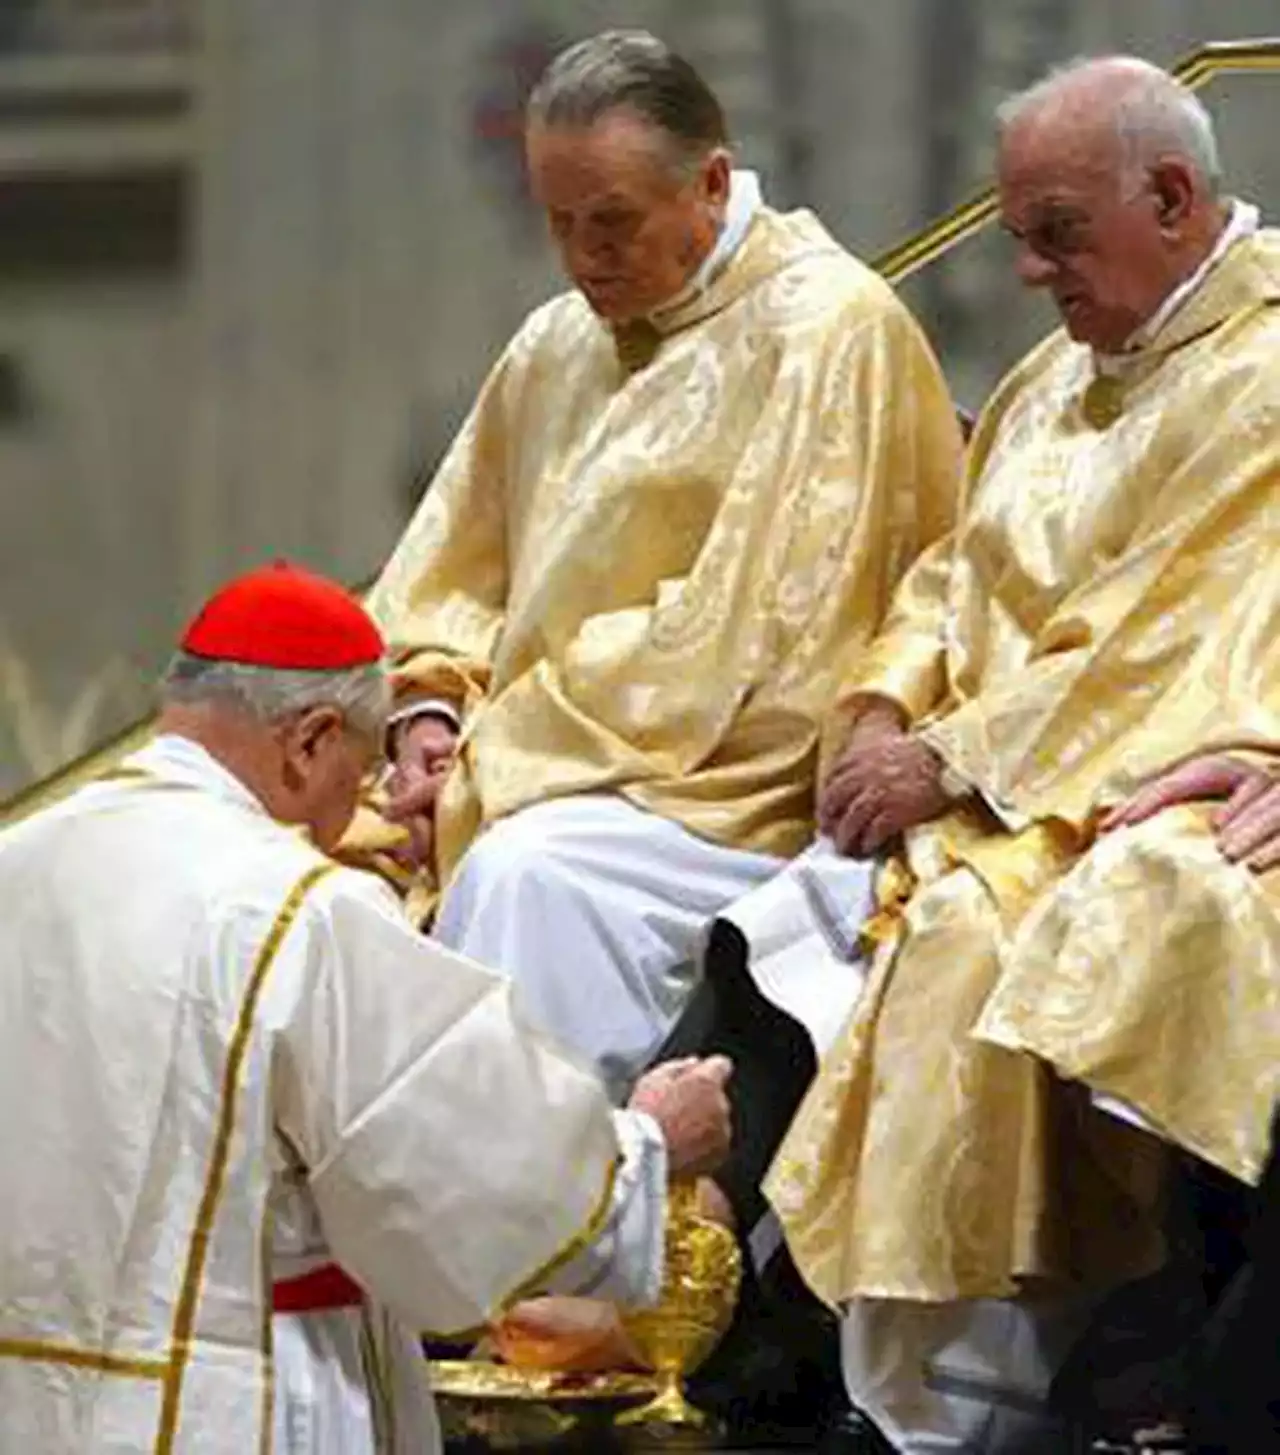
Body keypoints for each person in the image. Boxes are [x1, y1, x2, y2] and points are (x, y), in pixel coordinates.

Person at [652, 54, 1280, 1452]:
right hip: (995, 779)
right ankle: (725, 1329)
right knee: (786, 924)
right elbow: (951, 576)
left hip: (1145, 767)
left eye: (1060, 234)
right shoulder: (1056, 380)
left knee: (971, 936)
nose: (1036, 276)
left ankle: (977, 1391)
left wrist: (959, 756)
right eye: (1020, 241)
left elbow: (1176, 630)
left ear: (1173, 196)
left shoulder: (1265, 367)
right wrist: (879, 705)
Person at [342, 27, 963, 1098]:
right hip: (544, 760)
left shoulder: (829, 332)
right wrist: (426, 720)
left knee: (526, 879)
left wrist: (492, 749)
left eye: (614, 222)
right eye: (560, 225)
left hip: (721, 792)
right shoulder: (553, 344)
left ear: (711, 184)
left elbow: (751, 650)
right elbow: (447, 581)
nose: (586, 259)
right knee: (299, 881)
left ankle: (570, 1232)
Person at [0, 560, 735, 1455]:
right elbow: (463, 1176)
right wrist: (646, 1147)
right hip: (228, 1409)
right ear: (309, 740)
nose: (371, 807)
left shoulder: (18, 860)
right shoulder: (294, 908)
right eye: (362, 766)